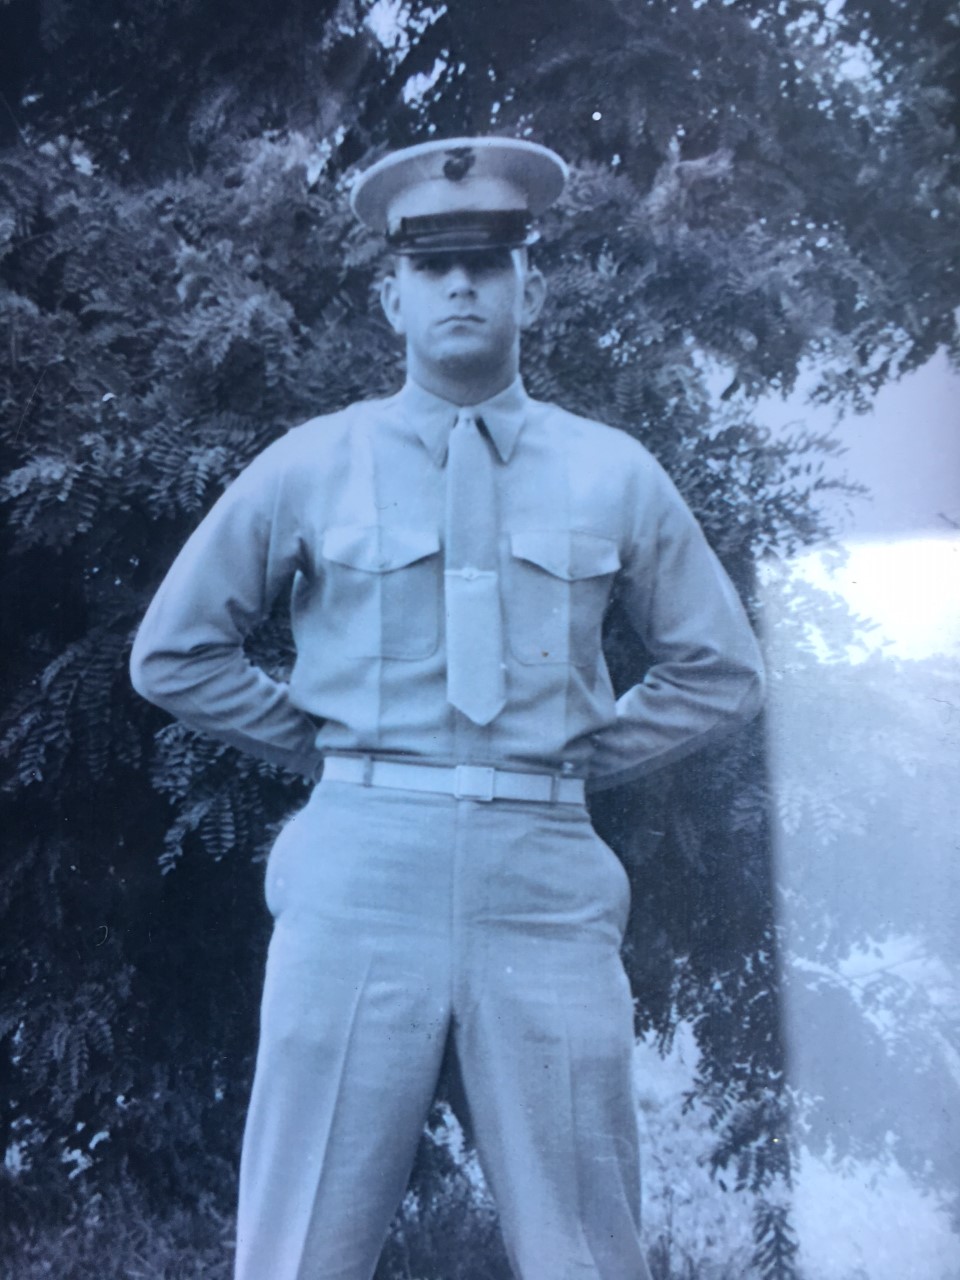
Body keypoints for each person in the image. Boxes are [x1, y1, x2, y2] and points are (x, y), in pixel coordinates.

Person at [130, 135, 764, 1280]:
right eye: (433, 266)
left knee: (588, 1242)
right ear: (392, 294)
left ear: (534, 283)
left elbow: (722, 668)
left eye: (487, 260)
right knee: (297, 1242)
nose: (462, 285)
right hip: (359, 871)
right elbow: (172, 651)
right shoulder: (312, 463)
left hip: (545, 880)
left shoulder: (613, 470)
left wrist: (575, 759)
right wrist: (335, 745)